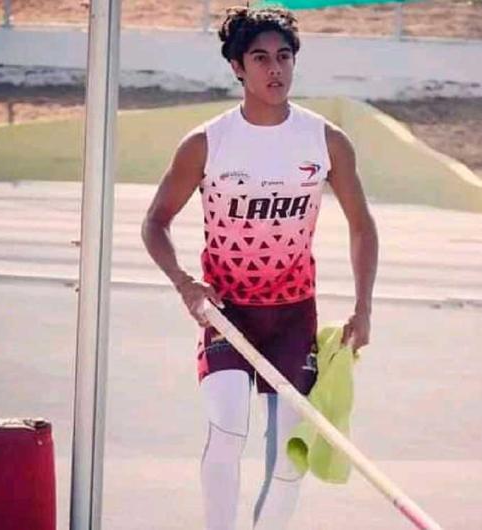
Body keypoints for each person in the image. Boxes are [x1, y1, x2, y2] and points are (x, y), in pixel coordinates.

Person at [141, 6, 378, 529]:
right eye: (261, 58)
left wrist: (363, 308)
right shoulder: (207, 143)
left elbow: (363, 226)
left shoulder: (326, 141)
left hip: (293, 317)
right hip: (227, 313)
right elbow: (155, 222)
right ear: (237, 67)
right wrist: (185, 284)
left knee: (289, 459)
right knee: (228, 430)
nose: (275, 69)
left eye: (284, 57)